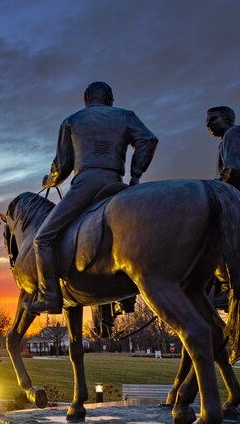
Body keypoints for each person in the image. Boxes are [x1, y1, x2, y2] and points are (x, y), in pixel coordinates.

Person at [28, 82, 159, 315]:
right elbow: (148, 140)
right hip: (116, 183)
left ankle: (50, 297)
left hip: (86, 185)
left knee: (43, 240)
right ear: (110, 99)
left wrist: (50, 181)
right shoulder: (126, 116)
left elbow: (62, 166)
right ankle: (126, 296)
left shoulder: (72, 120)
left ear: (86, 99)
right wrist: (136, 175)